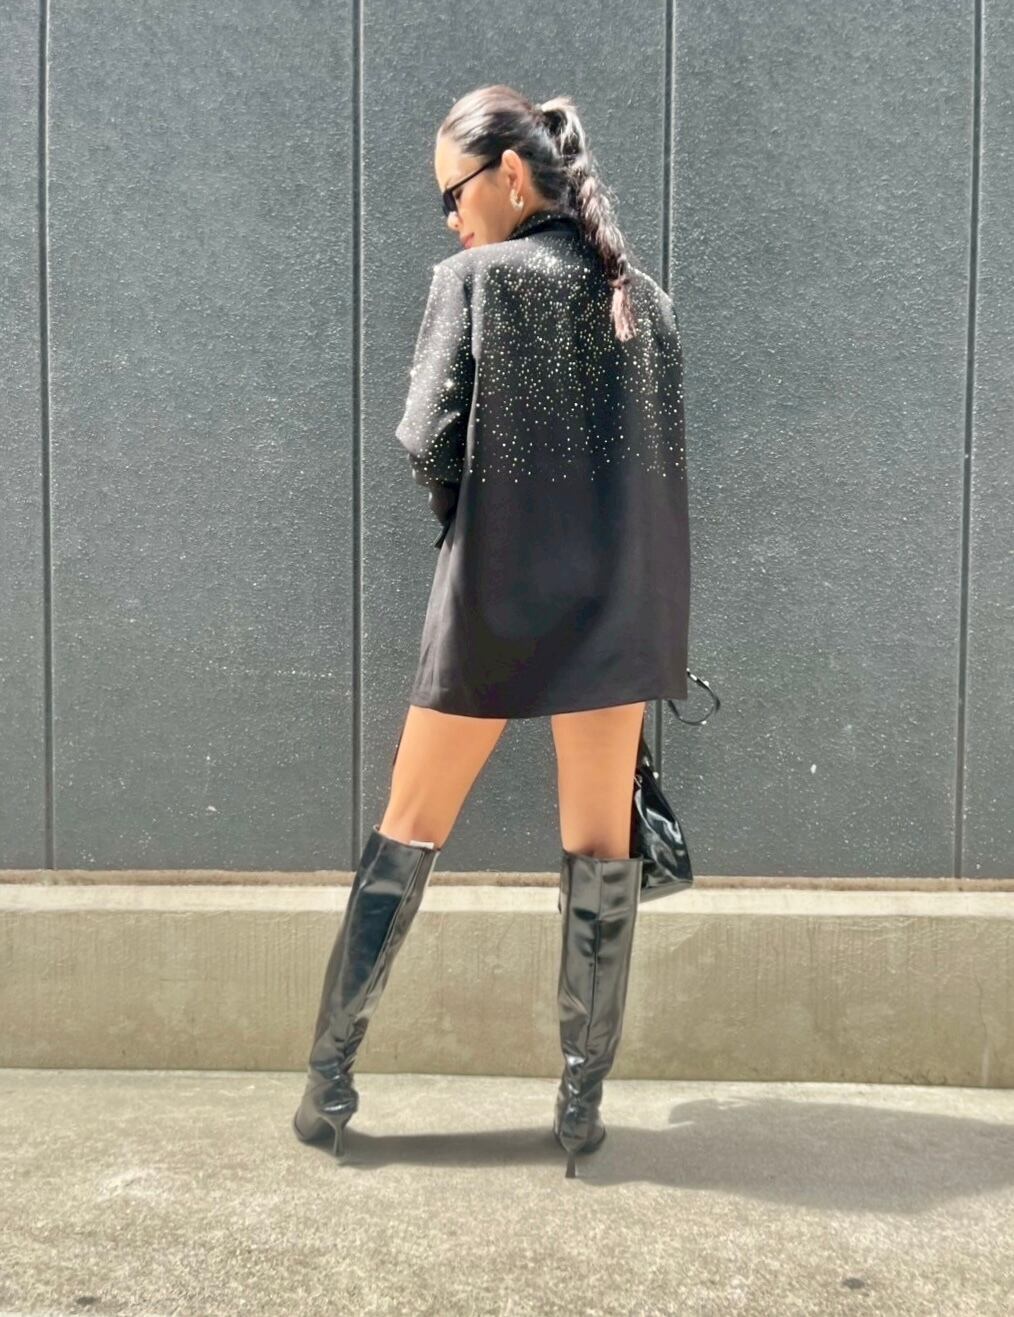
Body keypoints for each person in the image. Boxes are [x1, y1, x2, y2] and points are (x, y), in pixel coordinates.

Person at [293, 84, 691, 1180]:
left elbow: (431, 440)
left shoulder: (474, 282)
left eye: (453, 192)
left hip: (494, 593)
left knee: (409, 828)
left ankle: (328, 1083)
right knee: (600, 853)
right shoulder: (646, 301)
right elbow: (661, 478)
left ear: (510, 175)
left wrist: (481, 528)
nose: (449, 217)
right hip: (614, 611)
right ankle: (579, 1106)